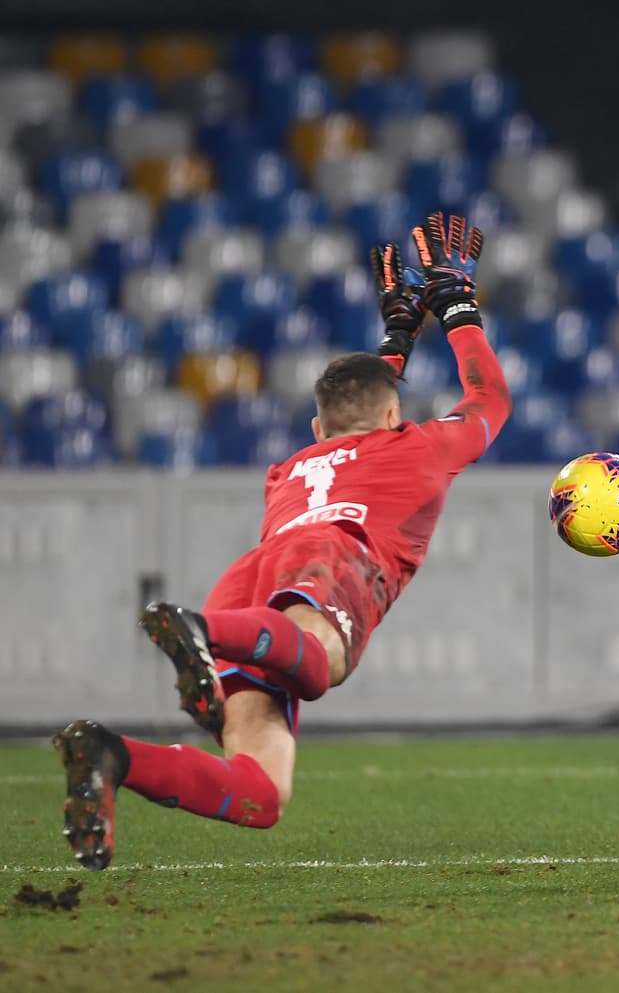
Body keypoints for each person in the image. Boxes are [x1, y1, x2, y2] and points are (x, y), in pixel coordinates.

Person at [53, 212, 511, 871]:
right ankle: (199, 629)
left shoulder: (288, 468)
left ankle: (110, 751)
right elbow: (490, 395)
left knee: (262, 789)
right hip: (326, 561)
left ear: (316, 425)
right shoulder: (417, 448)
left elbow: (365, 400)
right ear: (394, 416)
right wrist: (457, 304)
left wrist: (399, 333)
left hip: (255, 578)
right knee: (322, 665)